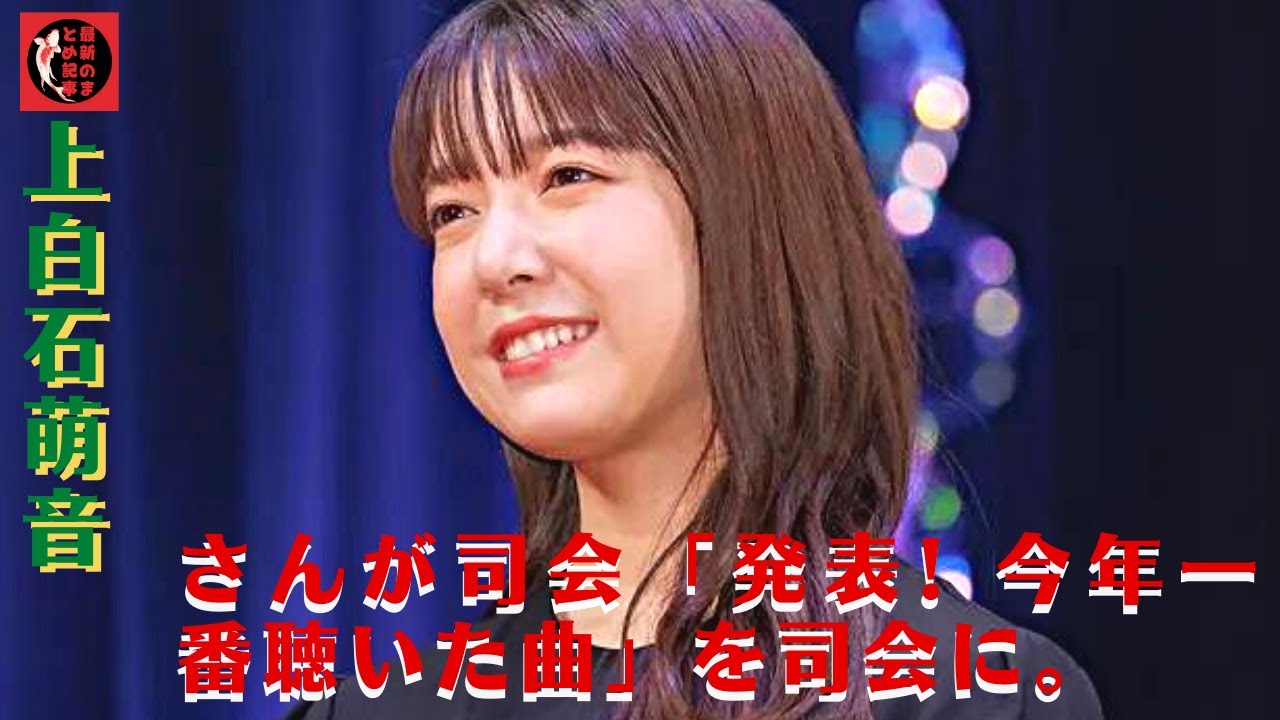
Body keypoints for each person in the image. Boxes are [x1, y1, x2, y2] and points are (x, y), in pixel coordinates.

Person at [299, 0, 1103, 717]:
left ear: (749, 215)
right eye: (453, 211)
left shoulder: (976, 698)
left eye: (568, 175)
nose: (494, 258)